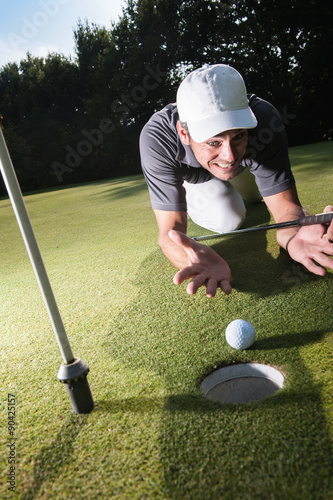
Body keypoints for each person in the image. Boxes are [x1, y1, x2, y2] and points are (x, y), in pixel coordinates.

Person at [139, 64, 333, 297]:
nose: (229, 155)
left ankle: (234, 165)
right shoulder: (157, 139)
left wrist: (293, 235)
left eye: (239, 135)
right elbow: (170, 232)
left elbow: (286, 210)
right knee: (229, 217)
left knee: (254, 197)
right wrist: (187, 257)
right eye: (214, 142)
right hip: (198, 181)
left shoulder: (264, 119)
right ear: (184, 134)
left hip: (246, 168)